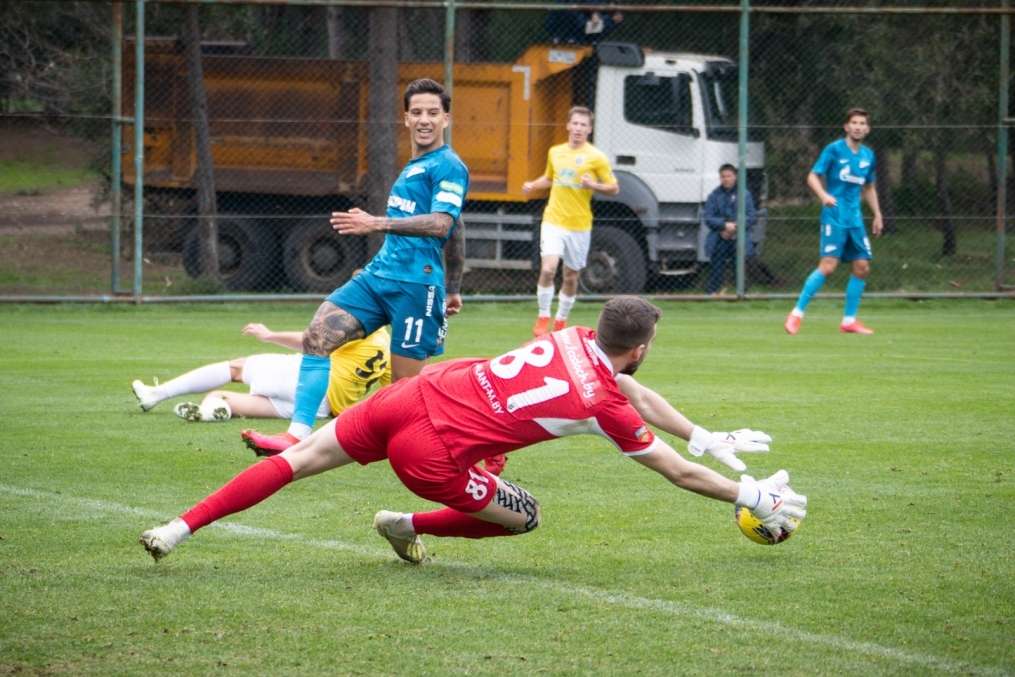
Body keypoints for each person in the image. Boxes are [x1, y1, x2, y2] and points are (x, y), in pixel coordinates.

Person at [139, 296, 807, 565]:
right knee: (524, 516)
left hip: (413, 395)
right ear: (637, 345)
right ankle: (404, 524)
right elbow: (673, 471)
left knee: (297, 461)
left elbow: (634, 390)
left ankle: (179, 526)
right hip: (434, 452)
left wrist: (701, 434)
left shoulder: (573, 336)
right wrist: (745, 494)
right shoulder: (599, 401)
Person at [241, 78, 469, 455]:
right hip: (378, 278)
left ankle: (467, 447)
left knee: (404, 393)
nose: (424, 119)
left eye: (433, 112)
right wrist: (457, 286)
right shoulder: (415, 166)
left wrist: (376, 223)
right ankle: (295, 437)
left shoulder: (448, 165)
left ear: (445, 118)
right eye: (417, 113)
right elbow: (457, 228)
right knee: (318, 337)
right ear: (406, 119)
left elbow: (444, 224)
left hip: (416, 287)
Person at [131, 324, 390, 430]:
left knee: (236, 368)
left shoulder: (360, 324)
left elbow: (313, 341)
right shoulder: (388, 346)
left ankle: (156, 394)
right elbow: (396, 389)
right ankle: (212, 410)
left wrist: (270, 335)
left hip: (308, 380)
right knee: (219, 397)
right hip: (322, 408)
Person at [785, 108, 883, 335]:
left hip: (855, 219)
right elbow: (812, 176)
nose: (858, 127)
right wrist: (823, 195)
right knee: (828, 267)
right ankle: (796, 314)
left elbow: (868, 187)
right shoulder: (834, 150)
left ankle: (849, 321)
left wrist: (877, 214)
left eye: (862, 124)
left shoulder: (868, 156)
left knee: (862, 267)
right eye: (854, 123)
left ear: (867, 129)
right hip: (834, 216)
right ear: (846, 126)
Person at [523, 107, 619, 337]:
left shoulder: (597, 157)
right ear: (568, 126)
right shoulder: (556, 152)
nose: (578, 129)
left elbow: (614, 188)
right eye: (574, 124)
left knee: (570, 276)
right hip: (554, 219)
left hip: (579, 225)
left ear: (590, 129)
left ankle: (561, 320)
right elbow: (549, 178)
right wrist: (534, 185)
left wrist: (593, 186)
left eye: (583, 125)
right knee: (547, 269)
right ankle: (544, 315)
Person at [703, 164, 757, 295]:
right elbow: (708, 218)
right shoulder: (714, 195)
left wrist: (735, 227)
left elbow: (751, 216)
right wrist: (723, 226)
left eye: (729, 176)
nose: (726, 179)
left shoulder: (744, 194)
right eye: (723, 176)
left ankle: (741, 293)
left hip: (738, 237)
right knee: (716, 266)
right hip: (719, 237)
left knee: (739, 266)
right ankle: (713, 292)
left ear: (735, 177)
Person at [545, 0, 623, 46]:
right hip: (565, 28)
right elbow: (581, 21)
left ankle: (588, 41)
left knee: (610, 21)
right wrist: (594, 12)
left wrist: (611, 17)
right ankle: (565, 39)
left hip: (588, 37)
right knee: (574, 15)